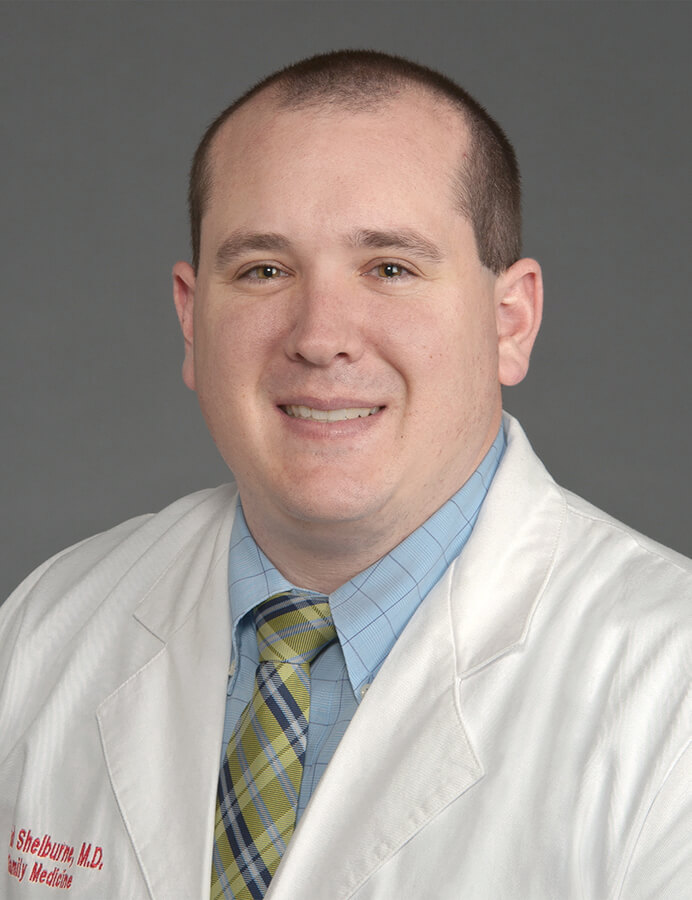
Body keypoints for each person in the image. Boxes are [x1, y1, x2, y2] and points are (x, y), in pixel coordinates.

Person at [0, 50, 689, 900]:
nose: (321, 335)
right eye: (263, 270)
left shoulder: (670, 684)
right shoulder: (45, 633)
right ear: (191, 320)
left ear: (510, 323)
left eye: (390, 268)